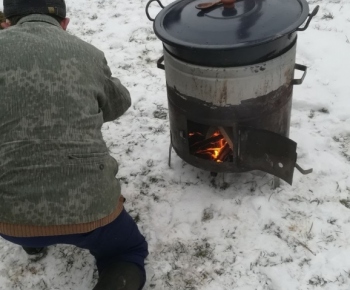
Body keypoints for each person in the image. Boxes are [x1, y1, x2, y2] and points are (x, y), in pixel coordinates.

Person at [0, 0, 148, 289]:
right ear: (64, 24)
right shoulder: (88, 53)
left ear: (7, 22)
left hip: (10, 221)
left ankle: (32, 244)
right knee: (126, 252)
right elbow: (118, 105)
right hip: (94, 212)